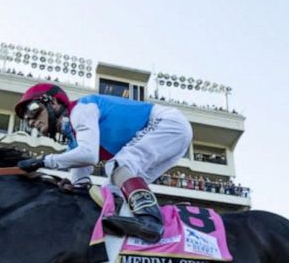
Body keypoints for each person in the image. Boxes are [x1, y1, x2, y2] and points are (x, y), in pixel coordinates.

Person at [13, 83, 194, 243]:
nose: (31, 121)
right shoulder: (74, 140)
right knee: (109, 193)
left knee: (117, 165)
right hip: (174, 136)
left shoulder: (81, 110)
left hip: (166, 122)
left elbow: (89, 155)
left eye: (33, 110)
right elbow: (81, 184)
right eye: (26, 120)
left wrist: (43, 161)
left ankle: (151, 221)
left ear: (53, 103)